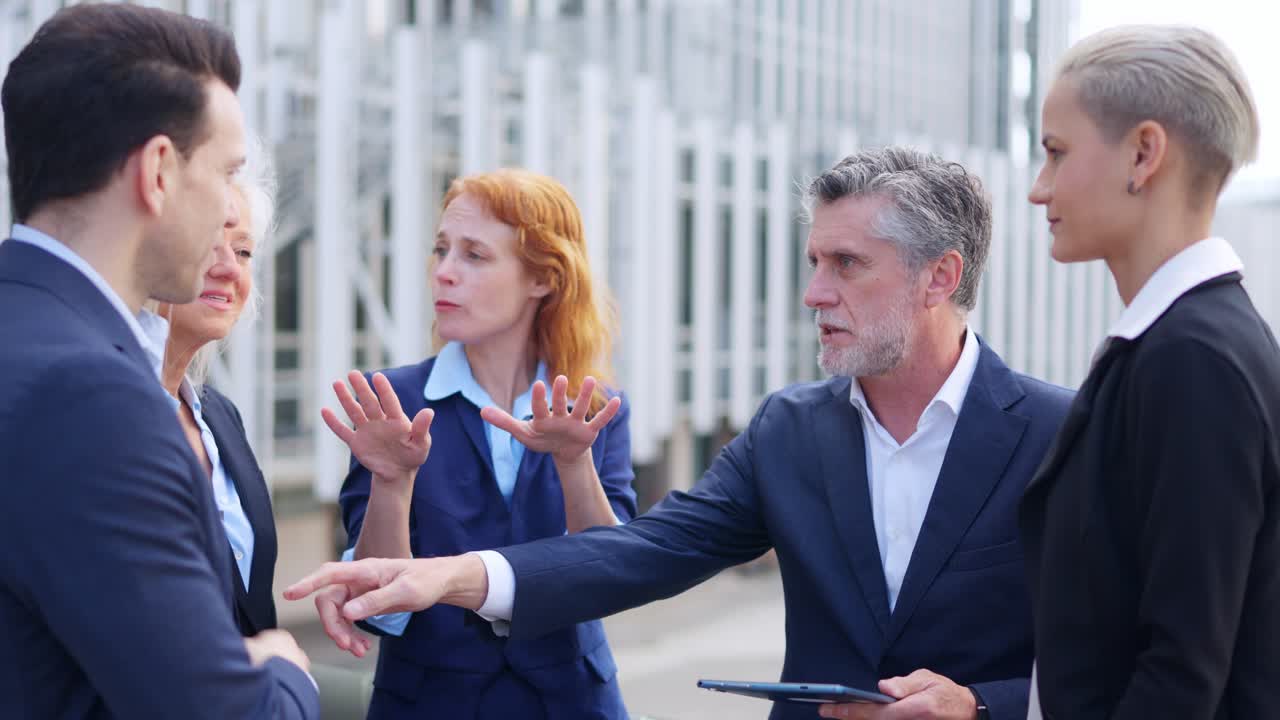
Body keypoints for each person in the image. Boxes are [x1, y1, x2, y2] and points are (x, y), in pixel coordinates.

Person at [288, 148, 1075, 720]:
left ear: (940, 277)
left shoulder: (1059, 434)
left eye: (845, 264)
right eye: (813, 261)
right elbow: (643, 553)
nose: (813, 292)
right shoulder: (788, 432)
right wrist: (449, 576)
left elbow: (1119, 656)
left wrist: (982, 705)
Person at [0, 5, 318, 719]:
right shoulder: (94, 399)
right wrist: (283, 670)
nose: (231, 208)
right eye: (226, 172)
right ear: (158, 172)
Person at [309, 169, 638, 719]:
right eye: (441, 250)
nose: (443, 272)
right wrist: (392, 483)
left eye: (474, 255)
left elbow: (613, 579)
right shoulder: (393, 403)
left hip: (574, 704)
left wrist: (574, 461)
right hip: (429, 706)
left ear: (543, 278)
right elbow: (377, 608)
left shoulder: (594, 408)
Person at [1021, 25, 1280, 719]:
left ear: (1143, 153)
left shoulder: (1193, 360)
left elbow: (1180, 672)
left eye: (1056, 152)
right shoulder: (1182, 344)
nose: (1038, 189)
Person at [155, 151, 280, 636]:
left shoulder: (220, 416)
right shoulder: (106, 413)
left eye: (244, 251)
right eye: (210, 243)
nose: (230, 268)